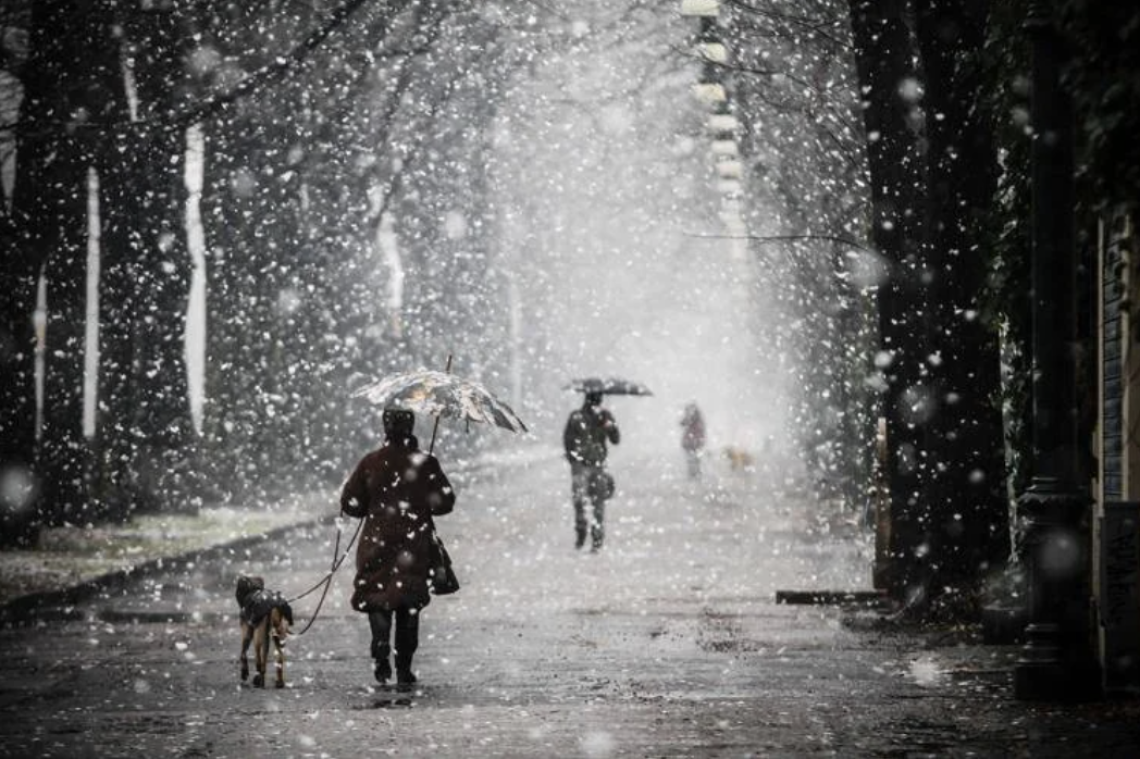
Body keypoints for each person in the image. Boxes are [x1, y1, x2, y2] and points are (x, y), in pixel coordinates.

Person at [340, 408, 455, 688]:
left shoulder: (371, 462)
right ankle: (404, 669)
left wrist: (373, 504)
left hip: (376, 542)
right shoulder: (425, 463)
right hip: (414, 544)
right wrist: (425, 493)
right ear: (410, 427)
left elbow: (351, 503)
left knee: (377, 595)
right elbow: (445, 504)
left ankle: (380, 647)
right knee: (408, 603)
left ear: (385, 427)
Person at [563, 390, 620, 552]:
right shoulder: (578, 417)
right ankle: (590, 533)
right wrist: (573, 458)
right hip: (586, 465)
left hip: (592, 465)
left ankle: (591, 533)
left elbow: (615, 439)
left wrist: (610, 427)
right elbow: (568, 440)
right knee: (592, 502)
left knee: (589, 501)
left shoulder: (603, 416)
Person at [679, 402, 706, 479]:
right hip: (694, 442)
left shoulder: (693, 419)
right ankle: (695, 472)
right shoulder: (697, 420)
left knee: (693, 458)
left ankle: (694, 472)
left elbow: (682, 423)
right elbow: (682, 423)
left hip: (692, 441)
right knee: (694, 458)